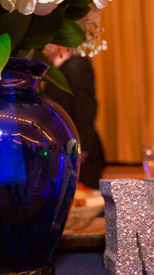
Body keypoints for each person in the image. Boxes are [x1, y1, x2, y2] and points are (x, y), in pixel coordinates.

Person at [41, 45, 106, 189]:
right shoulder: (59, 70)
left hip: (80, 154)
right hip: (67, 152)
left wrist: (80, 150)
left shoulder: (76, 66)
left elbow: (85, 110)